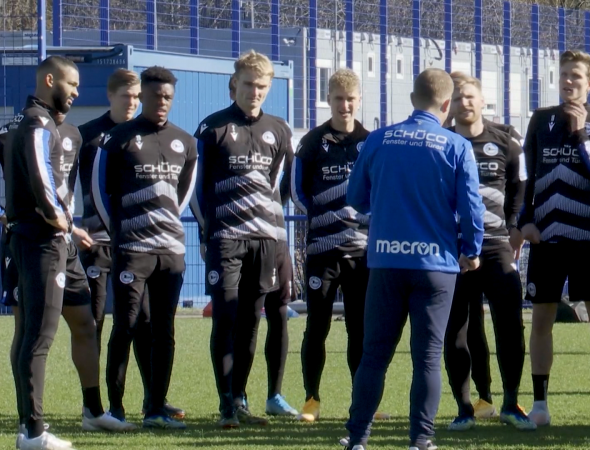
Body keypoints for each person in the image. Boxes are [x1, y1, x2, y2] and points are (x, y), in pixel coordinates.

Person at [341, 68, 484, 450]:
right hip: (436, 265)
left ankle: (357, 438)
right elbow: (472, 208)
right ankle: (421, 439)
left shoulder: (378, 139)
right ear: (446, 104)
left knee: (374, 355)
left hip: (386, 262)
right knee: (427, 358)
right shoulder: (456, 146)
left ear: (411, 100)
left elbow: (355, 198)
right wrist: (471, 250)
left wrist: (387, 205)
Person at [518, 50, 590, 428]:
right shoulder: (541, 119)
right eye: (563, 74)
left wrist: (580, 134)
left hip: (587, 240)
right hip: (546, 241)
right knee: (541, 318)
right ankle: (540, 405)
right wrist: (524, 221)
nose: (568, 81)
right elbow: (528, 177)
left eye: (576, 76)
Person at [93, 66, 198, 430]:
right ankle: (116, 409)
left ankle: (154, 407)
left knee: (164, 330)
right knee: (125, 325)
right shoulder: (118, 138)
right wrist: (120, 234)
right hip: (131, 251)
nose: (162, 102)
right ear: (143, 97)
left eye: (168, 97)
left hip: (170, 252)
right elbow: (99, 192)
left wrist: (166, 228)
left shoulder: (185, 142)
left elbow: (182, 194)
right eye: (155, 96)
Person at [191, 50, 290, 427]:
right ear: (234, 84)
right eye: (249, 84)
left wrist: (275, 234)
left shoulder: (278, 130)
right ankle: (226, 404)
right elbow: (197, 190)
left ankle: (241, 399)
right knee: (226, 317)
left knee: (252, 319)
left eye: (262, 86)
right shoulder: (212, 127)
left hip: (264, 240)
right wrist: (206, 232)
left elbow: (277, 186)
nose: (255, 91)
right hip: (226, 239)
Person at [442, 72, 532, 431]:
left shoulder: (505, 141)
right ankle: (464, 409)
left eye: (470, 96)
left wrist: (512, 226)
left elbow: (520, 187)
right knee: (456, 329)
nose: (465, 102)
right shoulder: (442, 142)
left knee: (509, 324)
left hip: (496, 247)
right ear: (449, 103)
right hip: (454, 250)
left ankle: (511, 403)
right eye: (459, 97)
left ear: (482, 101)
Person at [290, 68, 377, 423]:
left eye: (351, 99)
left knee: (360, 329)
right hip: (322, 251)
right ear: (329, 100)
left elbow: (380, 189)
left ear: (359, 100)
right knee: (318, 326)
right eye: (338, 99)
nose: (345, 105)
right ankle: (312, 398)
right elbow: (295, 191)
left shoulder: (372, 142)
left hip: (361, 253)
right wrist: (321, 215)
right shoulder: (311, 142)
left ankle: (362, 403)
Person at [5, 55, 78, 450]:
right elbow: (39, 173)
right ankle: (34, 433)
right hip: (41, 241)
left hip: (24, 236)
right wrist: (57, 218)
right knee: (39, 337)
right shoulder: (38, 122)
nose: (76, 92)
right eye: (71, 84)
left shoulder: (19, 121)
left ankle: (26, 429)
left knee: (28, 335)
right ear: (50, 81)